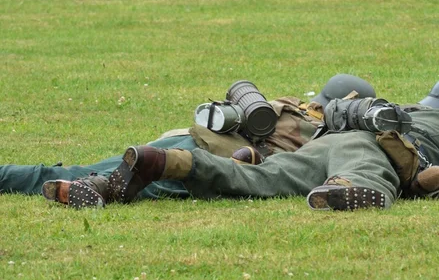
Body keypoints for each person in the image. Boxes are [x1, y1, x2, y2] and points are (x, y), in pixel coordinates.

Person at [44, 79, 439, 210]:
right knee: (365, 173)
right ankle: (347, 191)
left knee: (257, 179)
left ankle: (166, 162)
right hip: (358, 151)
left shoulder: (394, 111)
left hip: (312, 151)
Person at [1, 74, 376, 200]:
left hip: (188, 139)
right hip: (199, 164)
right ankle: (79, 187)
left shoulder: (284, 106)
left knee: (85, 169)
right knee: (117, 182)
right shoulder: (324, 137)